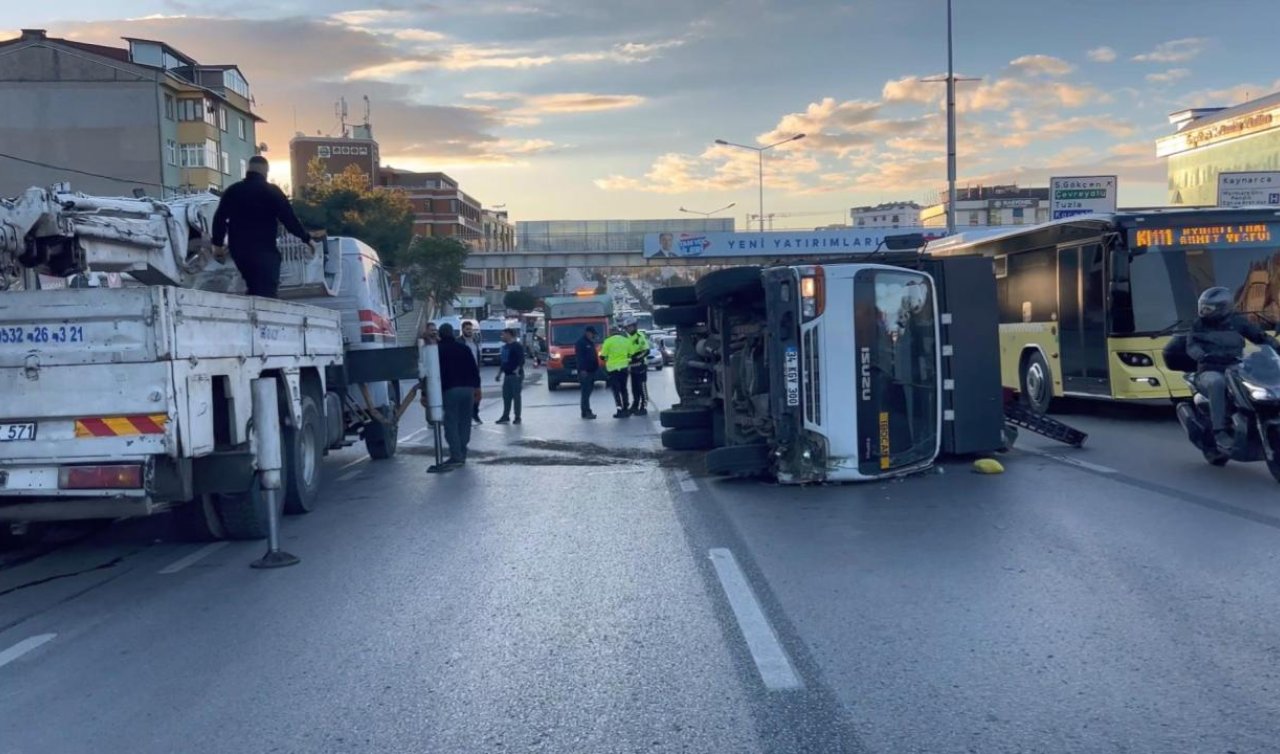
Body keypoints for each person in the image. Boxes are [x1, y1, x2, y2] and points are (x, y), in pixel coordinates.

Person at [1188, 286, 1279, 450]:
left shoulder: (1237, 321)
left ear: (1223, 308)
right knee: (1217, 383)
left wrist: (1275, 347)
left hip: (1236, 367)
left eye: (1209, 308)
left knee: (1263, 380)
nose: (1204, 311)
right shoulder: (1199, 324)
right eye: (1203, 307)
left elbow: (1259, 337)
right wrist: (1200, 355)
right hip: (1210, 369)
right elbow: (1192, 345)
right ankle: (1219, 431)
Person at [210, 155, 312, 298]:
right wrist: (307, 239)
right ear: (266, 171)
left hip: (240, 251)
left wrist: (217, 245)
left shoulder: (233, 191)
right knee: (267, 291)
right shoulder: (272, 191)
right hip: (264, 251)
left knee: (253, 284)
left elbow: (219, 218)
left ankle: (252, 305)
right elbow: (290, 220)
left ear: (248, 170)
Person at [435, 323, 481, 468]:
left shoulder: (438, 350)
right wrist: (477, 388)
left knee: (451, 423)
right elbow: (474, 369)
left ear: (440, 335)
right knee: (465, 421)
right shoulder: (464, 349)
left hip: (450, 390)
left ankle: (456, 456)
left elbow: (433, 374)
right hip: (468, 389)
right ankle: (462, 451)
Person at [599, 326, 633, 418]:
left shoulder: (608, 341)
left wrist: (607, 358)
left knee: (616, 390)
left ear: (610, 332)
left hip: (613, 369)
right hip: (624, 368)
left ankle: (619, 409)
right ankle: (626, 407)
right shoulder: (626, 340)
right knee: (624, 388)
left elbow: (602, 356)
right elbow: (631, 353)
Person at [495, 328, 525, 424]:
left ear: (509, 334)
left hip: (515, 375)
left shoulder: (517, 346)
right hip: (507, 375)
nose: (502, 336)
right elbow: (503, 362)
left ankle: (517, 417)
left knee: (516, 397)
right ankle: (505, 416)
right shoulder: (505, 347)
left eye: (503, 334)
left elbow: (521, 360)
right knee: (506, 396)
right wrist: (499, 374)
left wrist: (517, 369)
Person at [623, 316, 651, 416]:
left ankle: (643, 406)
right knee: (634, 388)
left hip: (641, 365)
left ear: (634, 326)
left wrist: (637, 357)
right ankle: (635, 405)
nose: (629, 329)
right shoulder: (626, 338)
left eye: (630, 327)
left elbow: (646, 350)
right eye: (627, 327)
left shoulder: (640, 336)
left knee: (642, 386)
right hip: (632, 367)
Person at [575, 326, 600, 419]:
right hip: (585, 372)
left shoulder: (589, 342)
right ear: (587, 333)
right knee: (585, 393)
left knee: (588, 392)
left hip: (591, 371)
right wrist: (582, 370)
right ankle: (586, 411)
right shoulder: (581, 343)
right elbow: (580, 358)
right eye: (592, 334)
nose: (593, 336)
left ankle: (586, 411)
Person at [461, 320, 483, 425]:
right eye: (467, 329)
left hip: (475, 372)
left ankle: (475, 414)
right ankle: (467, 415)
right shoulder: (460, 342)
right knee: (467, 395)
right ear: (463, 330)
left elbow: (477, 355)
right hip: (464, 372)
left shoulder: (475, 341)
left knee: (478, 395)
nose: (470, 331)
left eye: (471, 329)